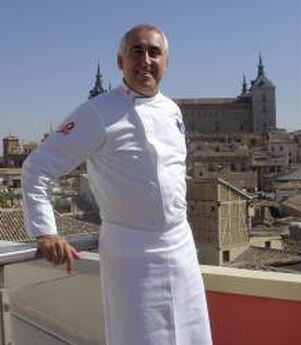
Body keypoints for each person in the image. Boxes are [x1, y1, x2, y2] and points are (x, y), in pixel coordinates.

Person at [22, 23, 212, 345]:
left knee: (193, 335)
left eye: (154, 52)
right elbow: (36, 169)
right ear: (120, 61)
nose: (146, 60)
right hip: (131, 251)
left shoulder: (172, 110)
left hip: (180, 246)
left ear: (166, 62)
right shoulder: (96, 112)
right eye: (136, 51)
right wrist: (46, 231)